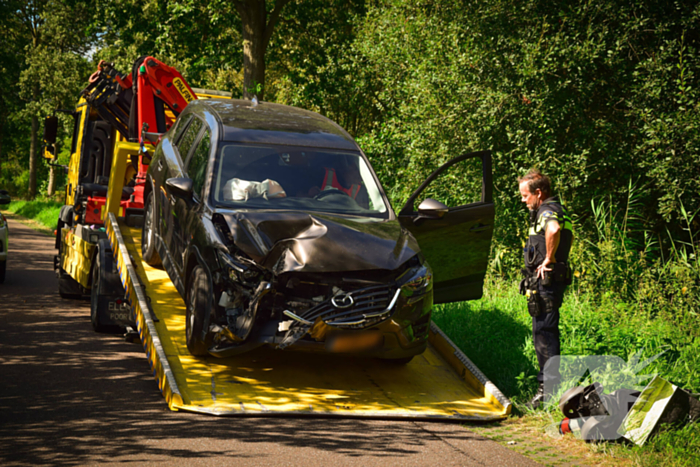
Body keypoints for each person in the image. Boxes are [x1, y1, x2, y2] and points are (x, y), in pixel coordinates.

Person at [518, 169, 573, 409]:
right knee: (543, 332)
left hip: (547, 282)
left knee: (545, 333)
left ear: (538, 193)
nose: (523, 201)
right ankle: (548, 390)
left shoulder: (548, 211)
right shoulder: (551, 209)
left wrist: (548, 258)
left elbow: (553, 230)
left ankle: (547, 393)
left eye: (525, 196)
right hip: (544, 283)